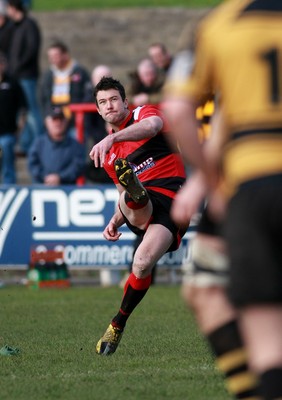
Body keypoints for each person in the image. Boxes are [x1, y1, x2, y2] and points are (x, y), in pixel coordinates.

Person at [162, 1, 282, 399]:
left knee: (264, 335)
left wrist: (209, 181)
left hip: (249, 184)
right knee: (204, 289)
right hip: (240, 172)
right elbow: (230, 107)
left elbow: (177, 109)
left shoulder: (217, 26)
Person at [89, 77, 188, 355]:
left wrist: (113, 137)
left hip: (174, 198)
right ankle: (117, 325)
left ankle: (118, 322)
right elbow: (120, 196)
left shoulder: (143, 114)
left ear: (125, 102)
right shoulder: (110, 158)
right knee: (128, 199)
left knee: (142, 264)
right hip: (141, 208)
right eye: (102, 102)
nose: (109, 105)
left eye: (113, 99)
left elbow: (154, 126)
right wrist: (113, 220)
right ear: (97, 110)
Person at [6, 0, 42, 154]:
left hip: (27, 76)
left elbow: (32, 49)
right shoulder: (14, 27)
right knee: (22, 112)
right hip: (16, 76)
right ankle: (26, 144)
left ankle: (39, 142)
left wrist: (18, 66)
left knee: (32, 111)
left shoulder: (29, 25)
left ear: (13, 8)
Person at [40, 40, 91, 139]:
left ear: (65, 55)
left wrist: (81, 114)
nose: (52, 59)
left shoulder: (80, 72)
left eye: (55, 56)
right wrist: (47, 116)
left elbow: (88, 94)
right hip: (55, 119)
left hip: (75, 121)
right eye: (50, 57)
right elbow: (42, 98)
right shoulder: (48, 75)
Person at [28, 106, 85, 185]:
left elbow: (79, 166)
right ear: (46, 122)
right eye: (54, 119)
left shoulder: (75, 145)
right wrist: (45, 177)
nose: (58, 123)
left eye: (61, 119)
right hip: (41, 189)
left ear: (66, 122)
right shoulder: (38, 144)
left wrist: (60, 177)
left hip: (68, 189)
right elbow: (32, 164)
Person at [0, 51, 27, 184]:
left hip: (7, 133)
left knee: (8, 166)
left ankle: (8, 189)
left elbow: (23, 109)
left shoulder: (13, 83)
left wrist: (19, 130)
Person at [84, 64, 113, 184]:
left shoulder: (120, 95)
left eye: (106, 78)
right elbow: (87, 125)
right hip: (98, 140)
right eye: (100, 78)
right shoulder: (87, 98)